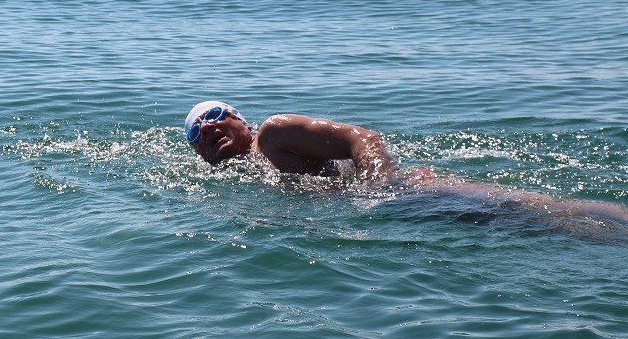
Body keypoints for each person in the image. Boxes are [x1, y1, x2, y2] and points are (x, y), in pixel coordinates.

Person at [183, 100, 628, 225]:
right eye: (197, 132)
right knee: (549, 229)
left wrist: (376, 189)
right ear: (198, 154)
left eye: (217, 116)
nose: (210, 128)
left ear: (242, 119)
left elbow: (364, 139)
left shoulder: (275, 133)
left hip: (407, 194)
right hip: (399, 213)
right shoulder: (238, 180)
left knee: (547, 212)